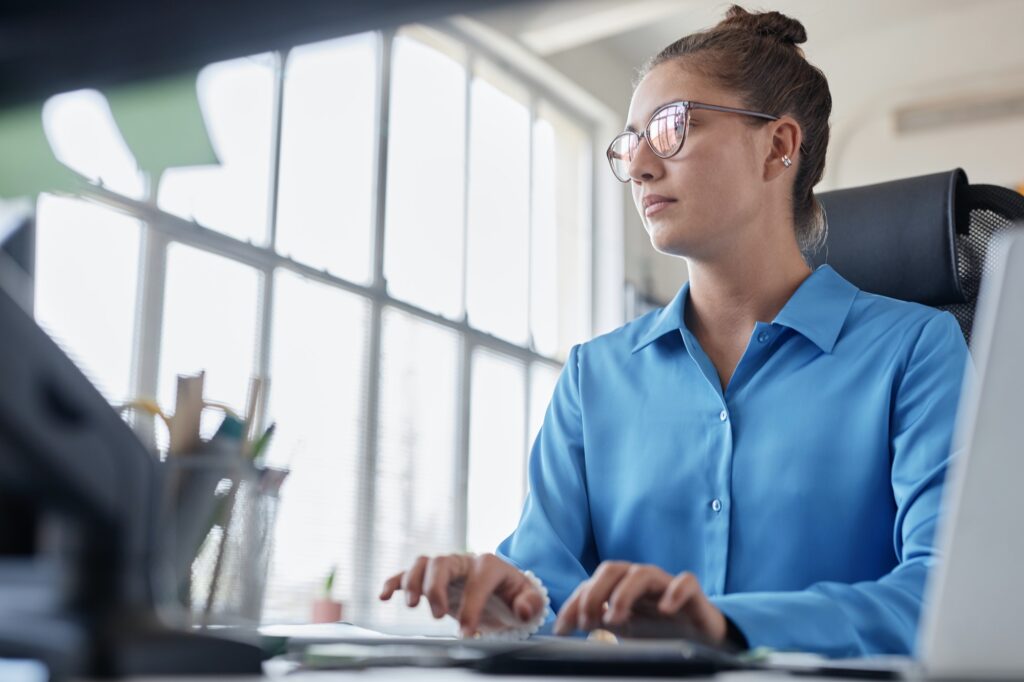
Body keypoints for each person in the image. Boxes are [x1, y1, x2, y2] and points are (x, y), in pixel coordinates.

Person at [379, 5, 968, 657]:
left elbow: (948, 591)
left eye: (671, 127)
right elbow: (548, 588)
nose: (639, 166)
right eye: (630, 142)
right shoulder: (593, 376)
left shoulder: (916, 351)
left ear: (779, 146)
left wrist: (726, 626)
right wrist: (513, 606)